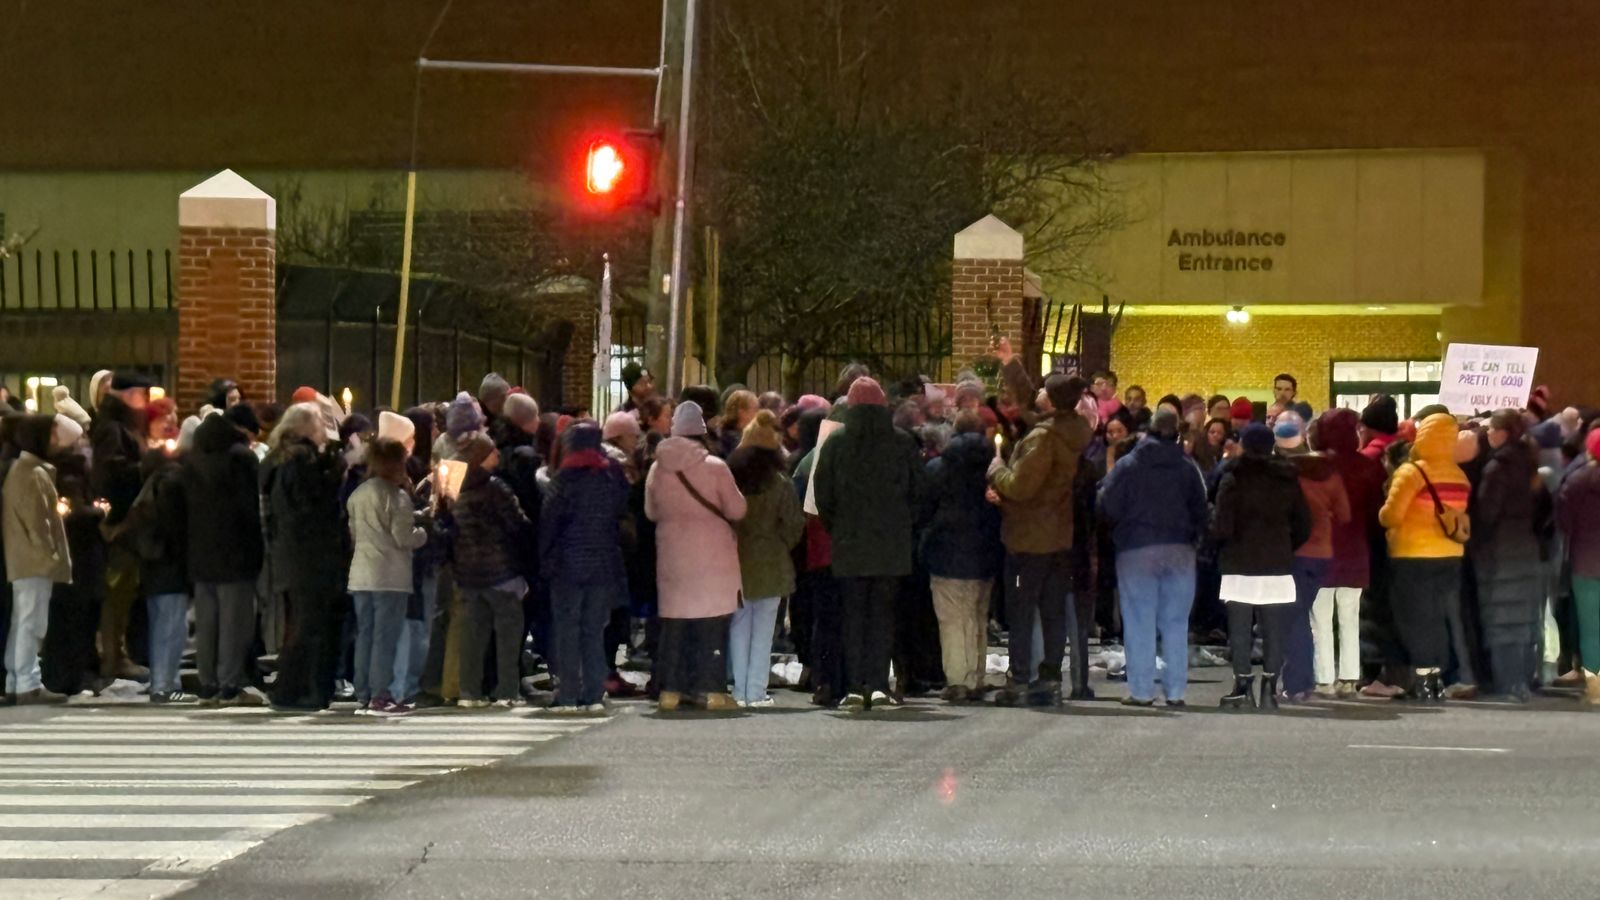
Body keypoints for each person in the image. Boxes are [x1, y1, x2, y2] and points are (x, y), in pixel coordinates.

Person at [813, 377, 924, 709]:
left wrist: (839, 528)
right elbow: (919, 493)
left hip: (849, 543)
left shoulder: (835, 444)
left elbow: (822, 496)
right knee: (883, 616)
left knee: (853, 616)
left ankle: (854, 684)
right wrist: (904, 525)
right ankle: (878, 683)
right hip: (891, 545)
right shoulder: (902, 443)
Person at [987, 374, 1092, 706]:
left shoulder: (1043, 439)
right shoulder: (1072, 429)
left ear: (1052, 399)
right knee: (1052, 611)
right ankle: (1050, 677)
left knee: (1021, 610)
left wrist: (996, 470)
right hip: (1059, 536)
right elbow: (1033, 403)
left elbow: (1021, 485)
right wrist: (1010, 365)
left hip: (1028, 538)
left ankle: (1019, 679)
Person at [1098, 409, 1209, 707]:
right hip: (1180, 550)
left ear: (1148, 431)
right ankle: (1175, 691)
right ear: (1177, 434)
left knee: (1138, 621)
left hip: (1136, 549)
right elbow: (1203, 509)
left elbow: (1106, 505)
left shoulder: (1129, 465)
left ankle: (1142, 690)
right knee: (1175, 622)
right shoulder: (1188, 467)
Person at [646, 400, 747, 711]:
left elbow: (650, 511)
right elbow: (737, 509)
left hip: (673, 559)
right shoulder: (715, 467)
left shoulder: (656, 468)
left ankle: (671, 690)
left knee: (676, 626)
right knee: (711, 625)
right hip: (713, 560)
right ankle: (711, 690)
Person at [1213, 423, 1311, 710]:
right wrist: (1286, 545)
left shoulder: (1233, 477)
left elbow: (1221, 524)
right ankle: (1270, 686)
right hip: (1277, 561)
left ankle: (1243, 686)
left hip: (1239, 561)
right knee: (1274, 630)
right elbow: (1304, 524)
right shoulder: (1287, 478)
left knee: (1241, 629)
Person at [1378, 410, 1470, 703]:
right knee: (1437, 617)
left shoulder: (1412, 472)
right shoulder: (1459, 475)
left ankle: (1422, 680)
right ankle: (1437, 679)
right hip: (1451, 553)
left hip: (1412, 554)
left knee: (1414, 619)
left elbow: (1391, 516)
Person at [262, 403, 349, 711]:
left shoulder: (279, 458)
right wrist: (338, 470)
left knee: (300, 623)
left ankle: (291, 688)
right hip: (310, 556)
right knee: (312, 625)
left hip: (290, 554)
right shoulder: (300, 460)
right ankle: (303, 688)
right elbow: (314, 505)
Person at [180, 409, 266, 706]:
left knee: (207, 624)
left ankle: (208, 682)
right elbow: (250, 509)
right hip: (236, 551)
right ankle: (229, 682)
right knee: (234, 623)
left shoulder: (192, 460)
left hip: (200, 552)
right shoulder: (241, 458)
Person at [920, 410, 1003, 703]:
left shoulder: (937, 468)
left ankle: (959, 680)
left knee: (953, 619)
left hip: (946, 553)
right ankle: (976, 676)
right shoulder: (993, 469)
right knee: (977, 617)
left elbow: (923, 510)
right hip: (986, 553)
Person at [726, 410, 805, 708]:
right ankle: (756, 691)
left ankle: (739, 689)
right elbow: (794, 524)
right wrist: (781, 544)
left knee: (739, 625)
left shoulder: (731, 479)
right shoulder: (780, 484)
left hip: (736, 561)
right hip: (772, 561)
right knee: (763, 631)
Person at [448, 433, 533, 709]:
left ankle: (469, 692)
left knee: (473, 636)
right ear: (482, 458)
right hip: (502, 572)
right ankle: (507, 690)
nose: (498, 454)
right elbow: (517, 524)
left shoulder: (454, 487)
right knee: (508, 636)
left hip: (468, 573)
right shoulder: (496, 488)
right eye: (493, 451)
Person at [345, 437, 429, 715]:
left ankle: (364, 691)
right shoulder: (397, 496)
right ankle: (382, 694)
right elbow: (402, 536)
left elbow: (354, 534)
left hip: (361, 573)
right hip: (390, 575)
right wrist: (423, 533)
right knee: (385, 637)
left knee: (365, 634)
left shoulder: (358, 494)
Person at [1470, 409, 1549, 701]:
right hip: (1526, 549)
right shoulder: (1530, 465)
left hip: (1500, 553)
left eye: (1491, 429)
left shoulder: (1497, 468)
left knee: (1502, 618)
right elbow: (1545, 511)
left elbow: (1486, 513)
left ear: (1502, 433)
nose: (1488, 434)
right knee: (1524, 620)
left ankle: (1508, 681)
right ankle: (1525, 679)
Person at [1311, 408, 1387, 697]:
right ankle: (1350, 676)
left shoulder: (1315, 466)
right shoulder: (1368, 466)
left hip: (1321, 550)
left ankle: (1324, 678)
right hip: (1356, 551)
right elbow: (1375, 512)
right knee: (1350, 616)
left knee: (1320, 618)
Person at [1278, 414, 1350, 703]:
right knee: (1302, 615)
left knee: (1294, 619)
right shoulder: (1330, 475)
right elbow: (1344, 514)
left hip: (1295, 553)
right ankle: (1301, 681)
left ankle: (1298, 683)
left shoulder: (1289, 474)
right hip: (1323, 554)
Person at [3, 415, 72, 704]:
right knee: (32, 622)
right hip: (33, 560)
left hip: (24, 559)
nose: (57, 439)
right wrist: (50, 555)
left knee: (24, 621)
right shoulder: (32, 474)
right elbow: (37, 523)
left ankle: (16, 680)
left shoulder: (25, 470)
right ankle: (27, 683)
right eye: (52, 434)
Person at [89, 371, 153, 682]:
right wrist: (148, 465)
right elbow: (111, 473)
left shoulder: (120, 425)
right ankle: (113, 657)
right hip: (120, 522)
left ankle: (119, 653)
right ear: (129, 395)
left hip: (127, 521)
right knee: (116, 594)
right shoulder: (112, 428)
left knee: (125, 591)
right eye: (142, 394)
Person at [1557, 427, 1600, 703]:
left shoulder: (1576, 480)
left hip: (1586, 563)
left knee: (1590, 628)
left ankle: (1596, 689)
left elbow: (1564, 523)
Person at [1359, 395, 1401, 464]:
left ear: (1368, 427)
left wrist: (1361, 447)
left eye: (1362, 427)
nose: (1360, 430)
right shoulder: (1400, 447)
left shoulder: (1369, 454)